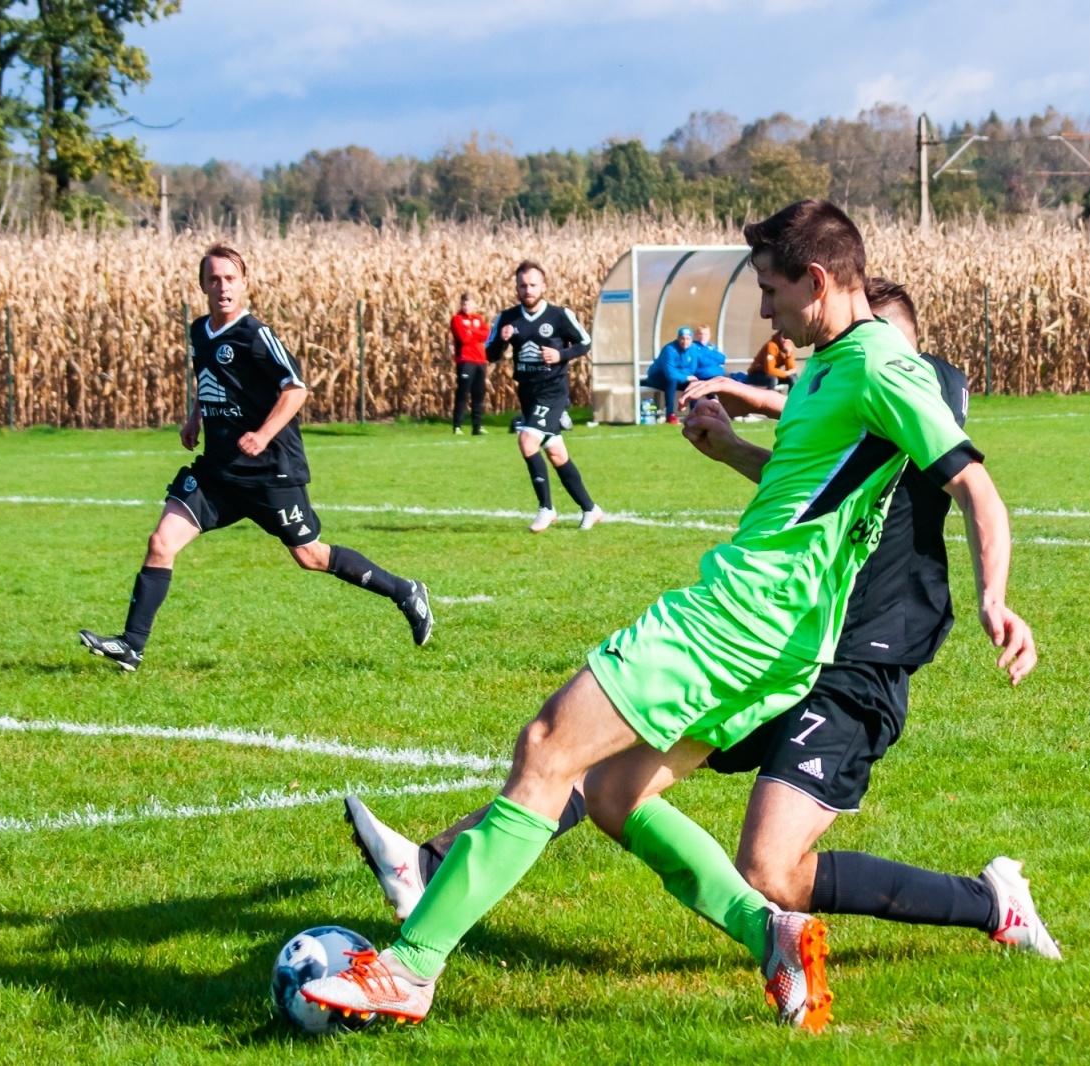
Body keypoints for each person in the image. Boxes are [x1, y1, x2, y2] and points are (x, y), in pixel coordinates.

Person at [299, 200, 1035, 1033]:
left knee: (547, 750)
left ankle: (409, 968)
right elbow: (812, 496)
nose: (764, 309)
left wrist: (992, 599)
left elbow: (974, 484)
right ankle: (772, 934)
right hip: (769, 629)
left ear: (818, 280)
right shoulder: (831, 367)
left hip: (741, 617)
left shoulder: (881, 366)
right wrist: (728, 448)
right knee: (613, 793)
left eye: (771, 288)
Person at [77, 244, 434, 672]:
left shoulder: (256, 335)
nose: (222, 287)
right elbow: (208, 377)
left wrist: (264, 435)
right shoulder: (198, 331)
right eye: (214, 279)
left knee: (310, 557)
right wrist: (195, 418)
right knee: (161, 542)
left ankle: (405, 591)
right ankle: (132, 645)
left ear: (244, 283)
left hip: (270, 473)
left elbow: (296, 388)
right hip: (219, 473)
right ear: (203, 285)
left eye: (230, 279)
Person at [485, 260, 603, 533]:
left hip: (553, 391)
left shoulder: (560, 315)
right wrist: (502, 340)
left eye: (533, 285)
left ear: (544, 286)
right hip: (527, 392)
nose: (527, 290)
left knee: (527, 441)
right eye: (522, 285)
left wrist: (561, 354)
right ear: (516, 287)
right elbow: (489, 355)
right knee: (556, 453)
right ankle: (590, 508)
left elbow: (585, 342)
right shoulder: (506, 318)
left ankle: (546, 509)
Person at [449, 293, 492, 435]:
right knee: (463, 393)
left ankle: (477, 426)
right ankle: (457, 426)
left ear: (474, 305)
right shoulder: (457, 319)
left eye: (469, 304)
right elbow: (463, 338)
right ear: (461, 305)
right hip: (466, 360)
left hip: (480, 360)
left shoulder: (478, 318)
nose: (466, 307)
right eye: (464, 304)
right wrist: (475, 334)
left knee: (478, 394)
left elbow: (487, 335)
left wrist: (472, 331)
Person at [641, 326, 699, 424]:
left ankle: (695, 414)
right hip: (657, 377)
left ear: (691, 339)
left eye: (688, 339)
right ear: (678, 338)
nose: (685, 341)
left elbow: (692, 369)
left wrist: (680, 374)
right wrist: (685, 376)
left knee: (694, 383)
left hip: (677, 377)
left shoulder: (693, 349)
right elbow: (669, 373)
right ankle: (670, 415)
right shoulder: (669, 349)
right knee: (671, 381)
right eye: (682, 338)